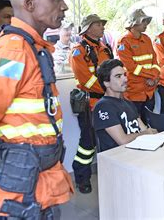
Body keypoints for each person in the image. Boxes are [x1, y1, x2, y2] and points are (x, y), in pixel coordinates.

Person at [0, 0, 74, 218]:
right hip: (19, 193)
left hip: (38, 184)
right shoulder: (13, 53)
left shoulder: (33, 48)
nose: (64, 6)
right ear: (29, 2)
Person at [69, 14, 113, 193]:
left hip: (107, 100)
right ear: (88, 29)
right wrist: (109, 88)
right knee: (88, 143)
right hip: (91, 103)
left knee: (108, 139)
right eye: (98, 24)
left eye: (102, 24)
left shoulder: (106, 48)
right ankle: (82, 178)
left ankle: (109, 174)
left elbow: (115, 70)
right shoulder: (78, 51)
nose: (102, 27)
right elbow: (86, 80)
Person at [93, 59, 157, 152]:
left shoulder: (128, 103)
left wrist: (151, 134)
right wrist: (146, 133)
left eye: (124, 75)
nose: (125, 79)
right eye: (118, 76)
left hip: (138, 153)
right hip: (118, 159)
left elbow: (143, 129)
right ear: (106, 83)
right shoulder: (103, 107)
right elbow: (122, 140)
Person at [115, 8, 160, 120]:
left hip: (149, 91)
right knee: (134, 126)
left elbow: (155, 61)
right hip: (133, 93)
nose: (146, 24)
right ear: (134, 23)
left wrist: (154, 78)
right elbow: (131, 67)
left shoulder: (147, 39)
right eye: (143, 21)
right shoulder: (124, 41)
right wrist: (151, 76)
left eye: (146, 21)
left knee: (148, 123)